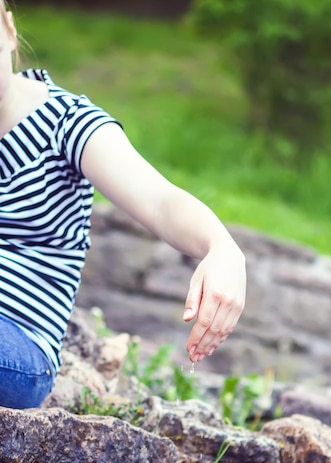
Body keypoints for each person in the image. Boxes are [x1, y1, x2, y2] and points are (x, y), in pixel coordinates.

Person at [0, 2, 246, 410]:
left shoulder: (67, 123)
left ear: (8, 30)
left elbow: (161, 201)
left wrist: (222, 249)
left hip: (19, 351)